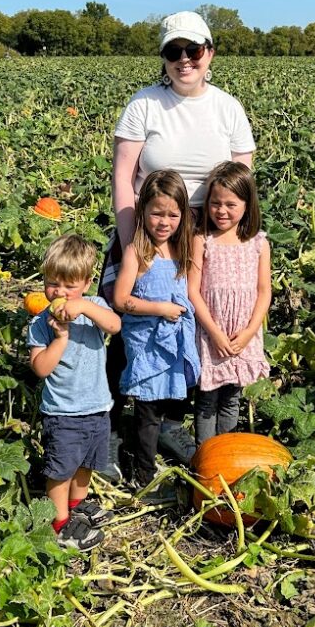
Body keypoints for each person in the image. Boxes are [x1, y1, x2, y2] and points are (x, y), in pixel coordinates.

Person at [102, 11, 256, 474]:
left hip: (206, 232)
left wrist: (232, 242)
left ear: (210, 53)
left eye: (193, 50)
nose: (184, 60)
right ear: (164, 58)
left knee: (187, 324)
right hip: (148, 226)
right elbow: (124, 177)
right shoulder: (144, 105)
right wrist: (136, 245)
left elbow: (242, 182)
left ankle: (167, 420)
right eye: (174, 52)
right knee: (121, 325)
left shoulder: (228, 108)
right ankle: (110, 429)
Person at [28, 235, 122, 551]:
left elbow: (114, 326)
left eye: (70, 286)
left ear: (86, 283)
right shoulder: (42, 323)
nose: (60, 293)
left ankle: (77, 505)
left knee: (87, 463)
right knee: (61, 469)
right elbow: (41, 368)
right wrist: (60, 339)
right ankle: (58, 522)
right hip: (63, 413)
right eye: (53, 284)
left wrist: (84, 306)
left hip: (97, 406)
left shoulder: (93, 307)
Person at [112, 169, 201, 488]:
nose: (164, 221)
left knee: (170, 404)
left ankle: (146, 457)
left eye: (172, 215)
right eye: (156, 213)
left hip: (174, 342)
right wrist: (159, 309)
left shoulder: (183, 249)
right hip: (147, 345)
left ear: (183, 215)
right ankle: (143, 477)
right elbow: (121, 300)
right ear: (143, 211)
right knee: (148, 412)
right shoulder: (138, 251)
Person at [188, 162, 272, 445]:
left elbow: (264, 292)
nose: (221, 211)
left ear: (247, 205)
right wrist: (213, 332)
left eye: (230, 204)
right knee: (207, 399)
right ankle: (205, 457)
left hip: (242, 334)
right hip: (213, 332)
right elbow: (193, 291)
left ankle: (225, 454)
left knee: (231, 399)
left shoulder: (259, 243)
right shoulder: (202, 240)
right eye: (215, 203)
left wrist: (249, 332)